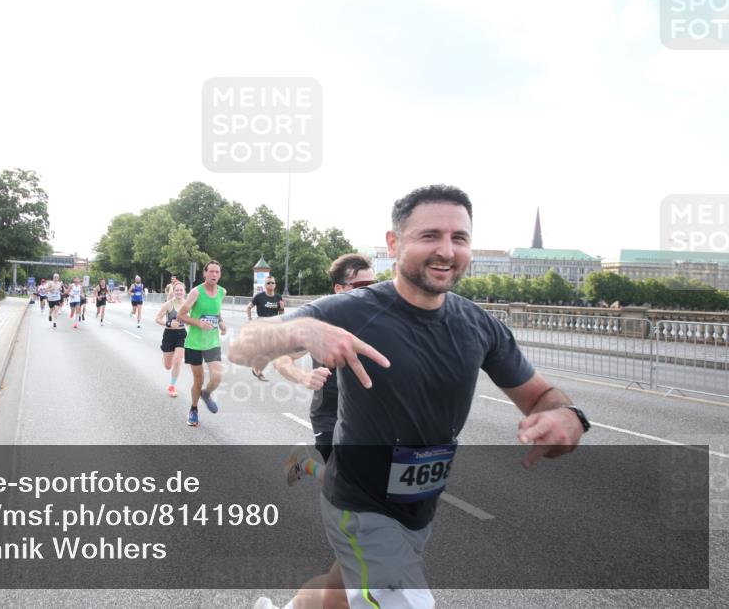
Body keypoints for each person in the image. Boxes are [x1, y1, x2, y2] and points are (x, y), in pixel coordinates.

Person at [232, 185, 589, 609]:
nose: (447, 250)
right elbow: (242, 347)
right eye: (430, 236)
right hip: (359, 500)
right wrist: (301, 330)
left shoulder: (479, 325)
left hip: (417, 507)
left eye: (459, 238)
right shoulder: (352, 309)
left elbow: (542, 395)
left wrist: (567, 415)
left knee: (339, 592)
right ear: (394, 243)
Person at [276, 254, 374, 466]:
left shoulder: (381, 320)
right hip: (330, 417)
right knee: (347, 480)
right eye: (361, 285)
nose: (369, 292)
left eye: (373, 286)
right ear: (339, 289)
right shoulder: (321, 322)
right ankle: (305, 464)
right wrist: (303, 376)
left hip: (370, 418)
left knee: (361, 485)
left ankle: (302, 463)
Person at [178, 261, 227, 427]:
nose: (214, 275)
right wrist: (198, 323)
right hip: (194, 343)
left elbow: (217, 312)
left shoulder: (222, 292)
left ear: (220, 275)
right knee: (198, 380)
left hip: (212, 342)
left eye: (217, 272)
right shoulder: (195, 292)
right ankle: (193, 409)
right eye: (211, 271)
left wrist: (221, 323)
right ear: (205, 273)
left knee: (217, 377)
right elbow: (181, 315)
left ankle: (206, 394)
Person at [246, 274, 286, 381]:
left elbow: (281, 314)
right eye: (268, 283)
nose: (270, 284)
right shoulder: (259, 297)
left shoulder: (278, 297)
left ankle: (256, 368)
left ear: (275, 285)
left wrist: (282, 308)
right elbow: (248, 307)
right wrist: (250, 320)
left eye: (272, 282)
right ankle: (258, 371)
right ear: (265, 285)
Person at [155, 281, 188, 398]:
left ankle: (172, 386)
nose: (179, 292)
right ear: (173, 292)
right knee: (168, 366)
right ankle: (165, 356)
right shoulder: (168, 304)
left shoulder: (188, 304)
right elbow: (157, 319)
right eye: (177, 290)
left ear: (184, 291)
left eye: (181, 290)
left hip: (182, 334)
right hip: (169, 335)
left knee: (178, 360)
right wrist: (169, 323)